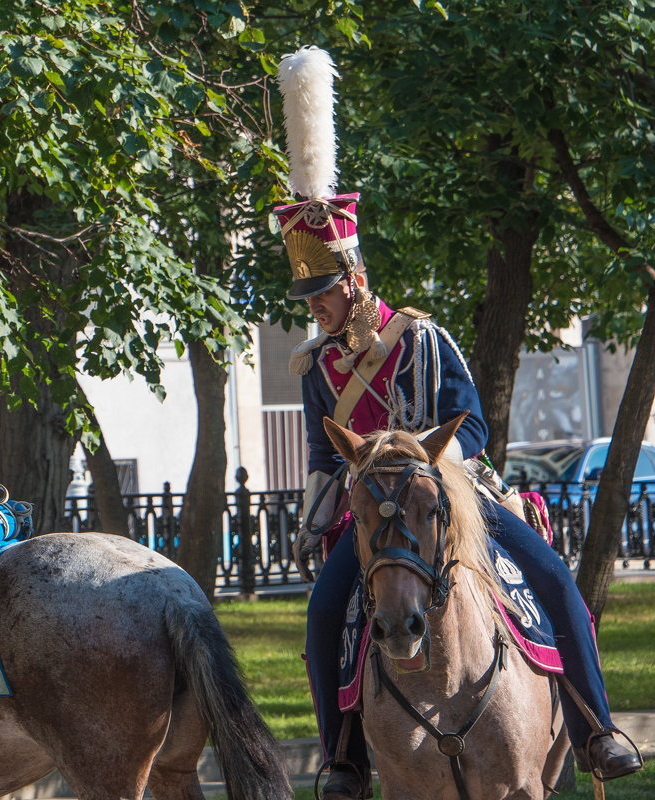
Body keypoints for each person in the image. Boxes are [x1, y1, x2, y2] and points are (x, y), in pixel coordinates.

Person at [273, 46, 643, 800]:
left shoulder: (420, 340)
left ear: (355, 279)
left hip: (450, 495)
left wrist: (422, 458)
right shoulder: (318, 372)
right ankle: (343, 757)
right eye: (308, 297)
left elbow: (469, 424)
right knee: (322, 614)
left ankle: (597, 727)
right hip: (371, 512)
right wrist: (318, 510)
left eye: (324, 294)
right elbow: (322, 449)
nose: (315, 308)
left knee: (549, 577)